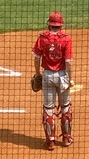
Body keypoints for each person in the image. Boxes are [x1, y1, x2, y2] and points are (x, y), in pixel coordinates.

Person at [31, 12, 75, 151]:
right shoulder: (66, 39)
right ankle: (66, 138)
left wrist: (38, 74)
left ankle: (50, 141)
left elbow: (37, 58)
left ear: (49, 24)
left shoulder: (42, 38)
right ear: (61, 25)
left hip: (48, 76)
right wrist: (70, 79)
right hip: (62, 76)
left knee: (48, 108)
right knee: (65, 107)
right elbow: (68, 62)